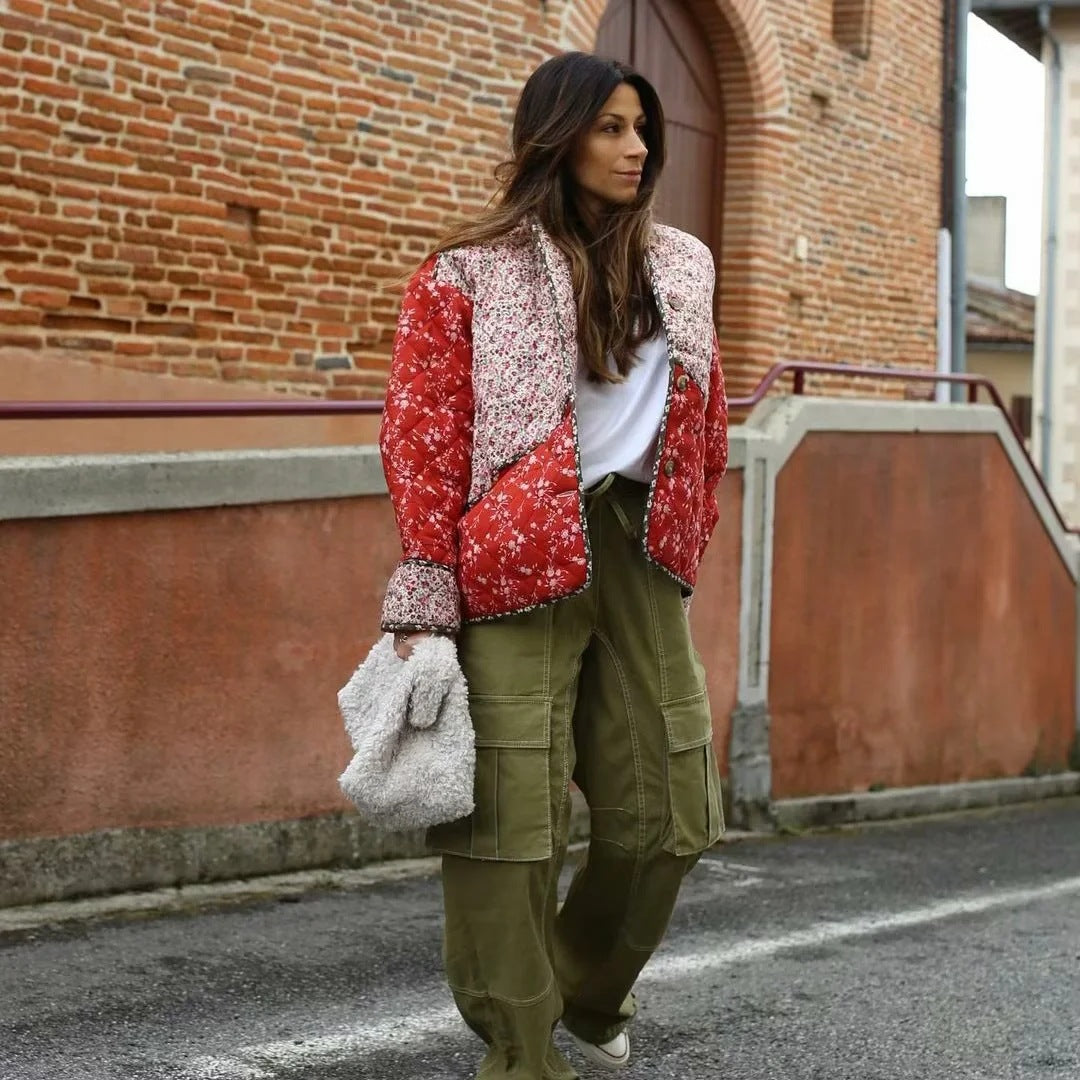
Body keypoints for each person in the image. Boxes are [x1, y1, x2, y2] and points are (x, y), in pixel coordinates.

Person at [378, 50, 728, 1080]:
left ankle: (583, 989)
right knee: (510, 829)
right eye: (613, 127)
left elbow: (702, 424)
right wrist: (426, 593)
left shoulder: (687, 265)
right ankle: (522, 1056)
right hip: (508, 554)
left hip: (637, 552)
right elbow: (425, 435)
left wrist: (685, 534)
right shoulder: (465, 273)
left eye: (643, 128)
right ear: (558, 135)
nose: (638, 147)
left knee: (672, 815)